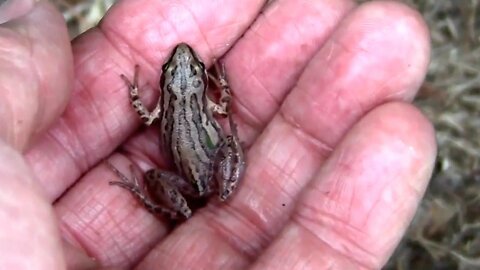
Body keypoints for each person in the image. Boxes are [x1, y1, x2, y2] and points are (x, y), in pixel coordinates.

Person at [0, 0, 436, 269]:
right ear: (177, 84)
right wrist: (220, 89)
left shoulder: (163, 109)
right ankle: (161, 198)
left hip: (193, 177)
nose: (182, 64)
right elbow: (223, 108)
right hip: (204, 173)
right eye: (178, 70)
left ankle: (154, 197)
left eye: (185, 70)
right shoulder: (196, 104)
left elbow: (144, 113)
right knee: (224, 142)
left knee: (168, 168)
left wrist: (137, 91)